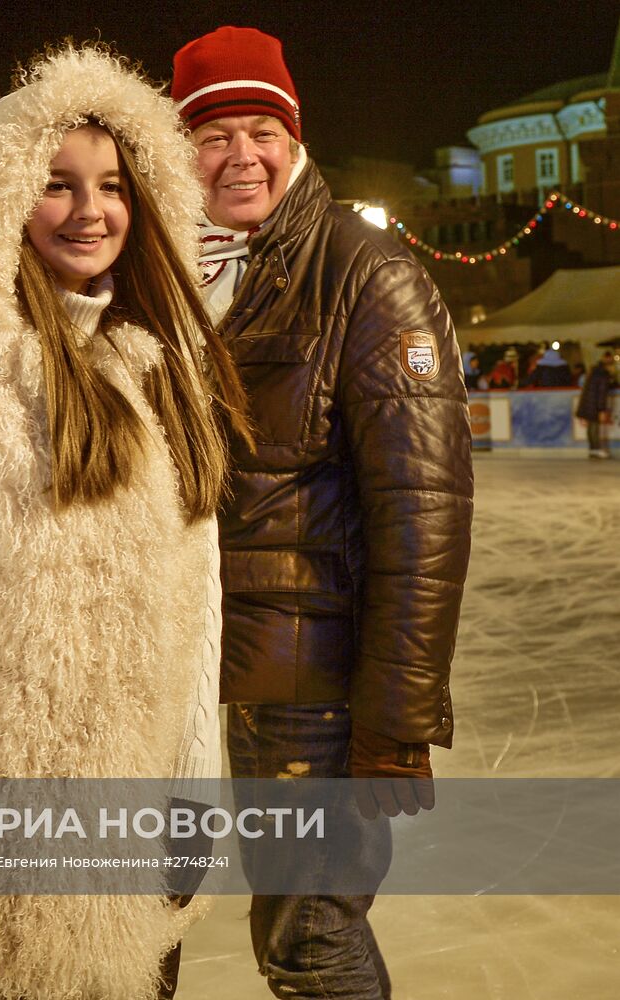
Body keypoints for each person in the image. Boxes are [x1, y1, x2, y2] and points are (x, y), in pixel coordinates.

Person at [0, 45, 250, 1000]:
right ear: (3, 204)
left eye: (112, 184)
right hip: (1, 821)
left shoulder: (161, 367)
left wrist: (196, 788)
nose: (89, 210)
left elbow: (197, 601)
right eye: (55, 184)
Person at [172, 26, 473, 1000]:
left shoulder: (365, 273)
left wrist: (394, 722)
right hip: (207, 663)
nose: (240, 156)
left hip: (318, 686)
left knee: (309, 936)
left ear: (294, 139)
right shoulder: (183, 278)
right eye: (213, 136)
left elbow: (422, 514)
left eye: (261, 129)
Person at [577, 351, 617, 458]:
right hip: (594, 404)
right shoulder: (603, 375)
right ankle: (596, 449)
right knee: (594, 426)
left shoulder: (595, 370)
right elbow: (602, 393)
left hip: (588, 402)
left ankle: (593, 449)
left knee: (591, 427)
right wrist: (601, 409)